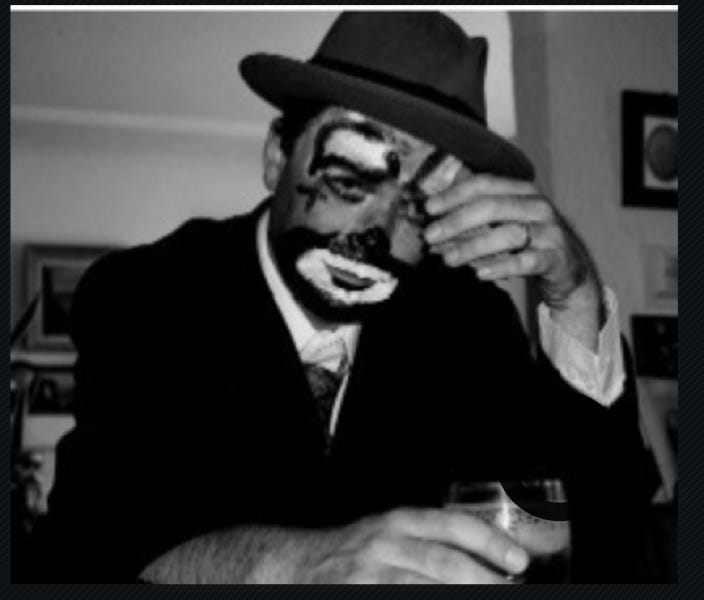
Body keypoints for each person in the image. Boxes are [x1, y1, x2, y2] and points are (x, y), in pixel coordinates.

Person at [44, 11, 644, 583]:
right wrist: (290, 567)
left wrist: (575, 297)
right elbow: (85, 549)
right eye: (350, 177)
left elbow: (593, 539)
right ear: (277, 156)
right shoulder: (148, 295)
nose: (378, 230)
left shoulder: (466, 321)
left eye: (419, 202)